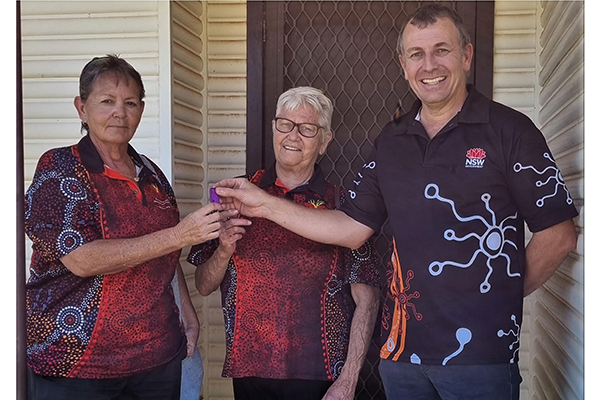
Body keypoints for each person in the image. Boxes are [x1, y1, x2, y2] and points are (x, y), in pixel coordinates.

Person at [213, 5, 579, 400]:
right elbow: (349, 229)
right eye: (417, 54)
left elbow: (558, 236)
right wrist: (263, 204)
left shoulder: (510, 131)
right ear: (403, 65)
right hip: (400, 354)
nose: (429, 65)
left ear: (467, 56)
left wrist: (502, 292)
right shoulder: (392, 141)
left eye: (442, 50)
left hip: (480, 356)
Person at [24, 54, 234, 400]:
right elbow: (82, 259)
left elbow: (167, 253)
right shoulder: (59, 168)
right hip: (77, 362)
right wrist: (181, 234)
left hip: (155, 357)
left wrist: (187, 313)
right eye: (107, 101)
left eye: (130, 102)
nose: (119, 112)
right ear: (81, 107)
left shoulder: (151, 174)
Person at [187, 87, 381, 400]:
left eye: (307, 129)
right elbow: (204, 285)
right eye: (285, 124)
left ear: (324, 142)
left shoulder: (343, 208)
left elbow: (368, 300)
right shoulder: (237, 196)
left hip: (320, 373)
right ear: (274, 128)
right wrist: (223, 250)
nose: (293, 136)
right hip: (249, 368)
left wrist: (348, 380)